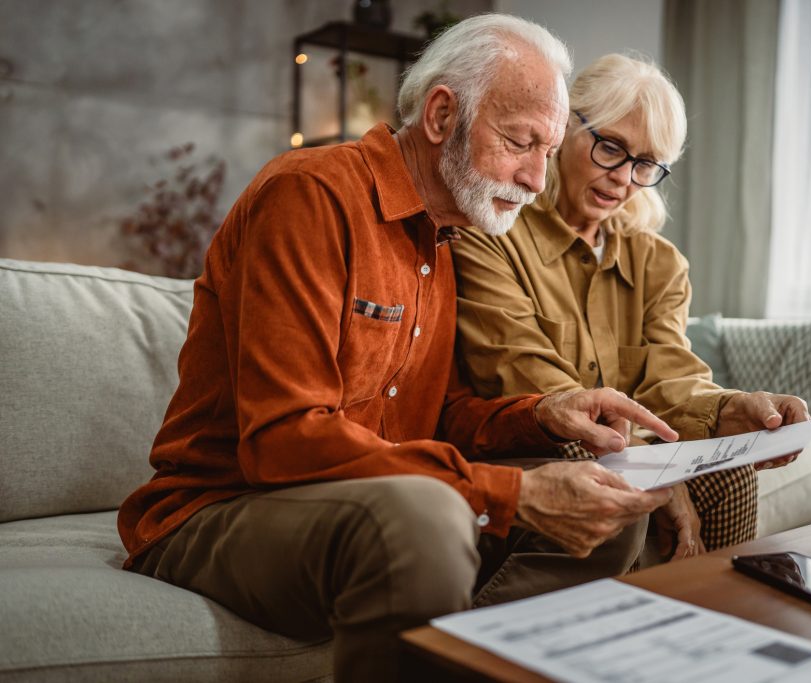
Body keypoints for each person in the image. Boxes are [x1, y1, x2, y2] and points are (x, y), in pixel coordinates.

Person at [116, 19, 681, 682]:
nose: (534, 179)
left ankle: (456, 657)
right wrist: (513, 492)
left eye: (548, 151)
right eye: (520, 142)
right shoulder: (311, 196)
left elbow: (436, 415)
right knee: (426, 515)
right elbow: (281, 441)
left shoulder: (440, 240)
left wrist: (542, 414)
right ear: (442, 114)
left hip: (363, 504)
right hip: (218, 506)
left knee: (604, 505)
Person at [453, 53, 810, 564]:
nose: (623, 178)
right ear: (562, 129)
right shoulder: (493, 232)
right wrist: (649, 465)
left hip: (624, 444)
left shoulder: (660, 263)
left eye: (646, 164)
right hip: (538, 441)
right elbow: (525, 377)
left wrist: (733, 408)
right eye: (611, 148)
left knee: (729, 475)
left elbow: (669, 378)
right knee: (598, 459)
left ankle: (707, 622)